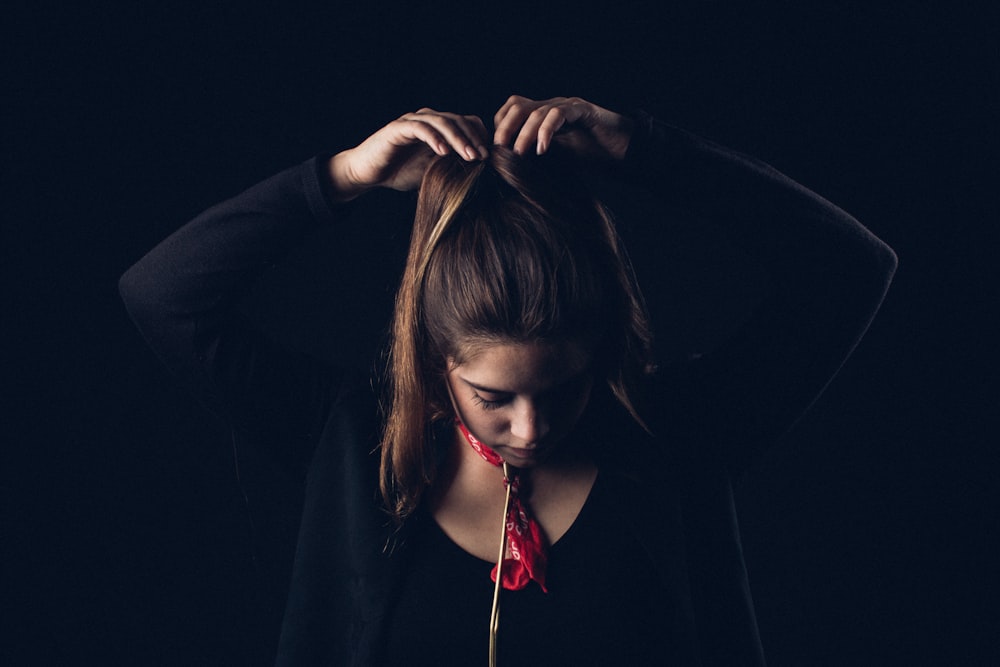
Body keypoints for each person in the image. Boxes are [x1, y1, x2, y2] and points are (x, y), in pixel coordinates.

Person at [120, 95, 897, 666]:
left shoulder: (674, 439)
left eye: (563, 389)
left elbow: (851, 270)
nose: (531, 428)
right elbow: (165, 296)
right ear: (435, 361)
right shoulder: (356, 444)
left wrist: (648, 150)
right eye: (492, 397)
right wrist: (341, 178)